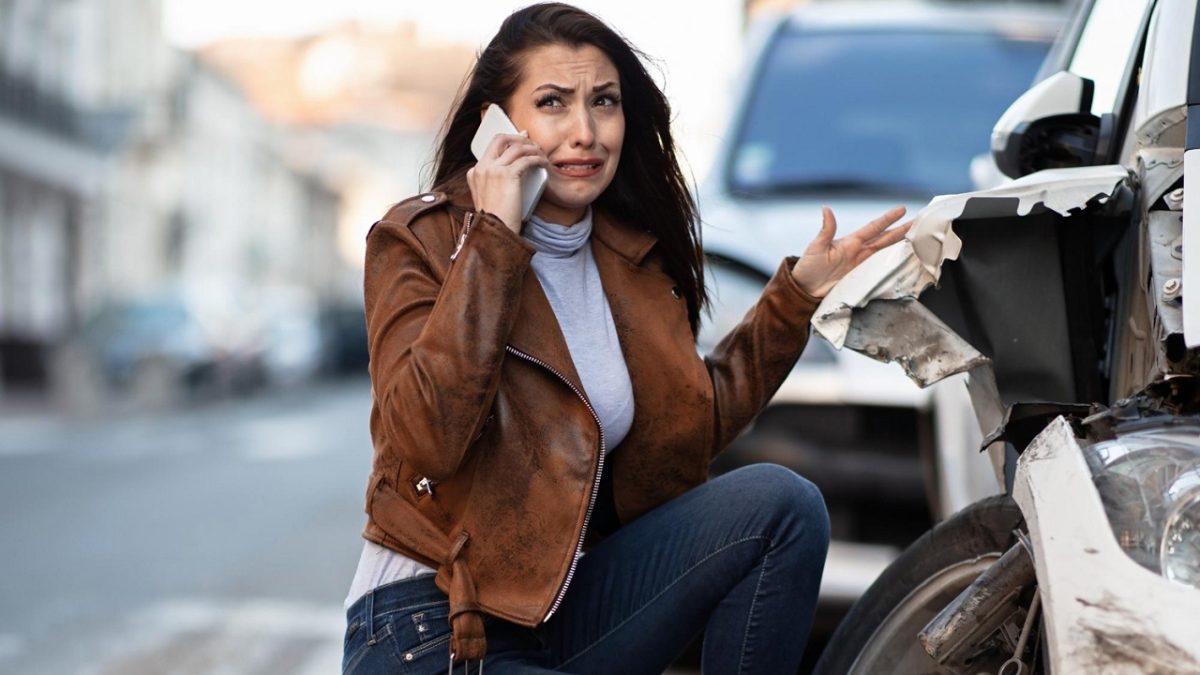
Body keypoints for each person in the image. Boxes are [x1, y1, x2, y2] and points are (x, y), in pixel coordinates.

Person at [342, 4, 909, 674]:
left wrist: (795, 299)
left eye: (603, 103)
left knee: (782, 505)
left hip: (572, 609)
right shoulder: (421, 239)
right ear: (497, 124)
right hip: (432, 625)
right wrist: (493, 238)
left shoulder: (632, 262)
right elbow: (426, 438)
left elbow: (686, 429)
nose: (584, 132)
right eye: (552, 103)